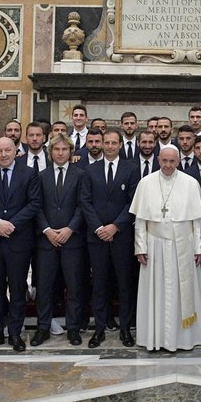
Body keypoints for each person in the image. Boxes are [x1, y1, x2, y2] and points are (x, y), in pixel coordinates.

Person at [131, 144, 201, 351]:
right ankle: (154, 338)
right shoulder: (145, 183)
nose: (168, 165)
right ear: (158, 160)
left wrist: (199, 247)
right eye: (164, 161)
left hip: (183, 246)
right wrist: (140, 247)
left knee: (182, 293)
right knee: (155, 294)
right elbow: (140, 220)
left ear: (179, 161)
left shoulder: (191, 183)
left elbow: (198, 221)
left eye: (172, 161)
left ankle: (184, 339)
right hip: (154, 246)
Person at [0, 137, 42, 353]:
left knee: (17, 289)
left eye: (7, 150)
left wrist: (11, 224)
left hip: (18, 240)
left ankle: (15, 333)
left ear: (15, 151)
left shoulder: (29, 173)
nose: (3, 155)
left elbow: (34, 203)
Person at [81, 127, 140, 348]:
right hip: (97, 238)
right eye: (107, 143)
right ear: (102, 144)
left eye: (114, 143)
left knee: (124, 284)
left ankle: (125, 329)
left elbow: (133, 202)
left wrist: (115, 226)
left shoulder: (131, 169)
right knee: (99, 284)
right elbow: (85, 202)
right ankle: (99, 329)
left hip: (122, 237)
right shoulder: (90, 170)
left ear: (120, 145)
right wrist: (99, 228)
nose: (110, 146)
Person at [33, 135, 87, 347]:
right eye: (57, 149)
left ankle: (73, 328)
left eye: (65, 149)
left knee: (73, 286)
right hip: (46, 241)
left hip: (72, 240)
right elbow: (35, 205)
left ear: (70, 151)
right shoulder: (40, 176)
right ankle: (43, 327)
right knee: (45, 287)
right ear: (51, 152)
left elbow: (83, 205)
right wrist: (47, 230)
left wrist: (70, 229)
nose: (61, 153)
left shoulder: (81, 175)